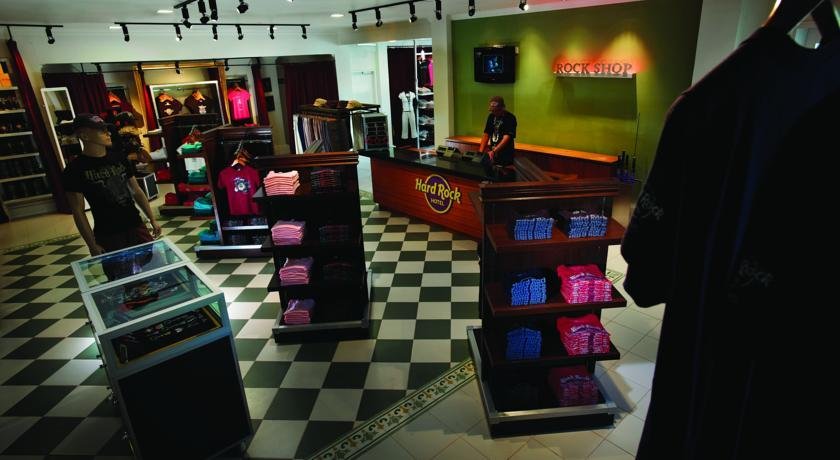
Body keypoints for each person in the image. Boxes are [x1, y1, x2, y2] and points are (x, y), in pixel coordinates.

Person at [62, 114, 161, 257]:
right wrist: (91, 244)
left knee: (153, 264)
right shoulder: (74, 170)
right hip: (108, 233)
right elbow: (78, 211)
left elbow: (136, 190)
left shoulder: (119, 157)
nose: (108, 133)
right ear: (84, 135)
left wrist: (152, 219)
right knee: (120, 269)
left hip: (135, 224)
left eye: (106, 129)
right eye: (101, 130)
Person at [478, 95, 517, 178]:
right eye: (492, 110)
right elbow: (486, 134)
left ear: (502, 108)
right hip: (493, 155)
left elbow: (507, 138)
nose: (494, 113)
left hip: (505, 156)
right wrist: (480, 152)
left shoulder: (510, 118)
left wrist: (494, 151)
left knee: (504, 179)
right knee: (491, 178)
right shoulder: (491, 116)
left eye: (496, 111)